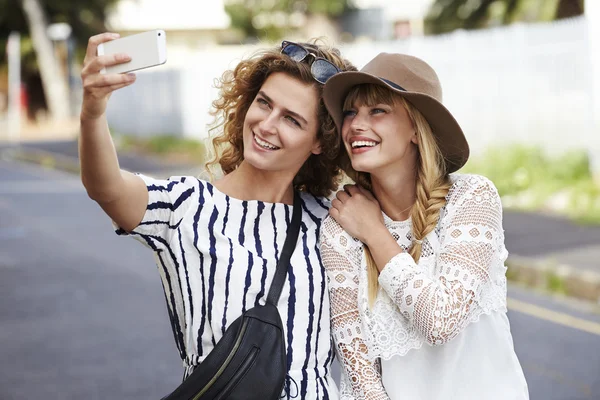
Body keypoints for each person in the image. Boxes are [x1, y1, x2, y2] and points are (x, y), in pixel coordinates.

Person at [79, 33, 356, 398]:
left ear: (321, 141)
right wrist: (92, 111)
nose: (267, 124)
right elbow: (107, 188)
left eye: (291, 119)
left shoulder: (334, 220)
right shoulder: (186, 207)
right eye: (264, 103)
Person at [319, 53, 529, 399]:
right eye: (351, 112)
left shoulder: (471, 199)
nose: (355, 124)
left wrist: (375, 233)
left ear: (416, 128)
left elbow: (440, 320)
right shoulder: (340, 226)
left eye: (378, 111)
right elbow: (358, 369)